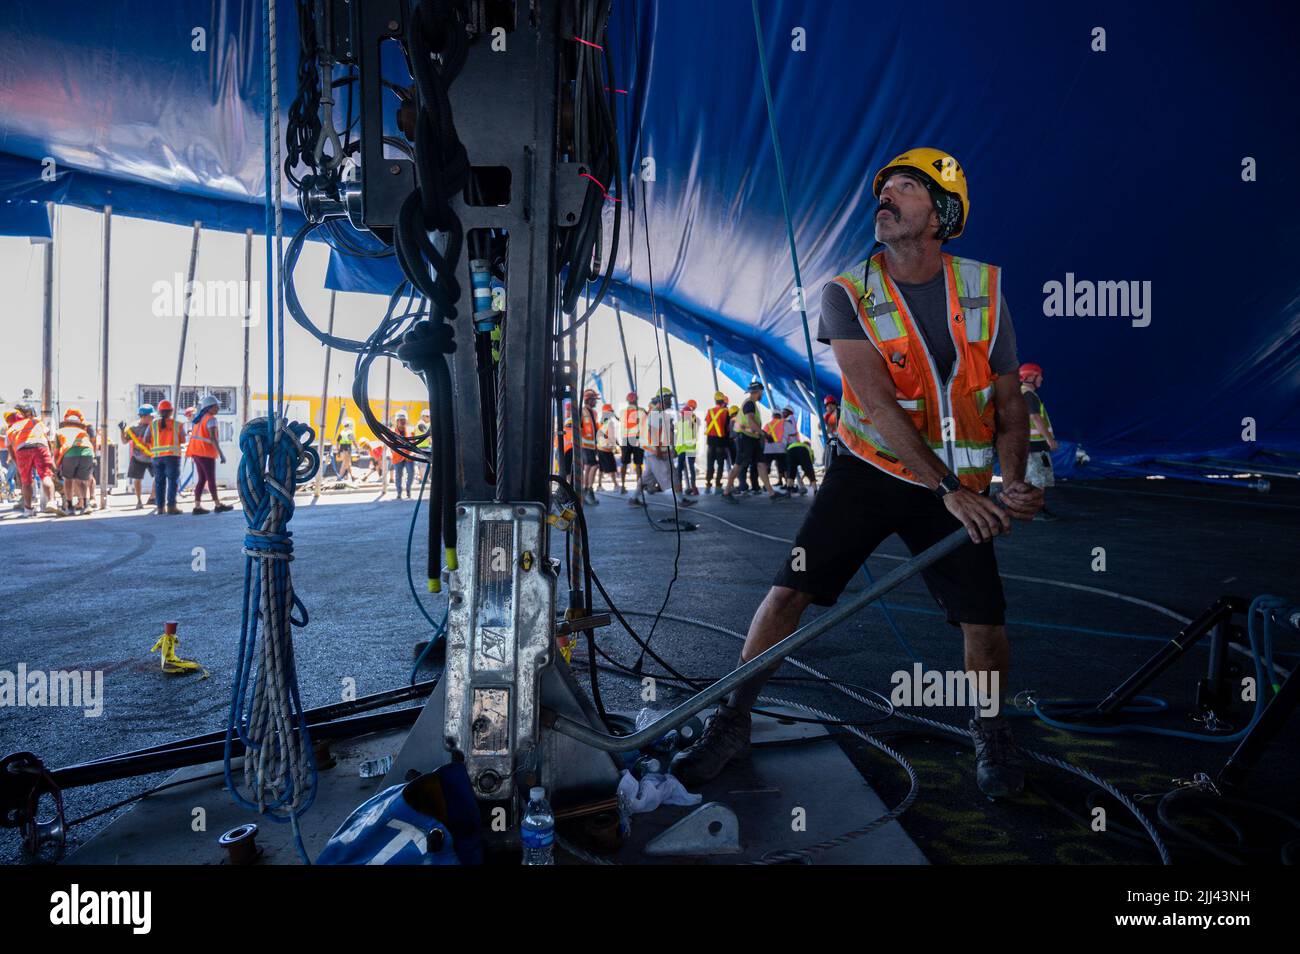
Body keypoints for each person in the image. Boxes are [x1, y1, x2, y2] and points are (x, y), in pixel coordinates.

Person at [672, 148, 1043, 800]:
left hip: (956, 485)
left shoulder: (984, 290)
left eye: (905, 188)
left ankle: (990, 730)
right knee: (789, 593)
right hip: (873, 470)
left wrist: (1015, 479)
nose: (887, 196)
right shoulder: (848, 294)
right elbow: (874, 400)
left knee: (985, 622)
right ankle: (731, 720)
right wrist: (949, 490)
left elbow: (1010, 408)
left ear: (942, 214)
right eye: (886, 187)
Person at [721, 381, 784, 502]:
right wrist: (763, 433)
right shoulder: (749, 404)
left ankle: (771, 493)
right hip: (745, 439)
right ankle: (726, 492)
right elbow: (750, 422)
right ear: (757, 392)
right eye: (761, 392)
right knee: (738, 465)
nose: (762, 394)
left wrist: (760, 434)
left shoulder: (752, 404)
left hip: (752, 439)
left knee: (761, 464)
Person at [631, 393, 696, 509]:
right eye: (669, 399)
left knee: (646, 477)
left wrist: (671, 449)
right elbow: (653, 432)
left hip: (655, 453)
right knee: (671, 475)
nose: (670, 402)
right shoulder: (656, 413)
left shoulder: (660, 413)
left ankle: (634, 498)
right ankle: (680, 500)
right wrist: (658, 450)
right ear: (663, 400)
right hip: (657, 453)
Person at [1018, 363, 1059, 521]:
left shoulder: (1024, 394)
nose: (1042, 378)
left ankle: (1026, 509)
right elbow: (1035, 417)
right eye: (1039, 375)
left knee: (1029, 478)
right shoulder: (1028, 395)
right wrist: (1050, 439)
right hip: (1036, 446)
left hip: (1030, 445)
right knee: (1039, 480)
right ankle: (1036, 511)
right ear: (1029, 377)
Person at [7, 404, 60, 516]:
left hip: (22, 449)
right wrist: (50, 455)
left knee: (26, 481)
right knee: (45, 475)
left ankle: (28, 509)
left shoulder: (13, 428)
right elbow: (47, 439)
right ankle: (51, 501)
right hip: (40, 446)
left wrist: (17, 462)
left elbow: (11, 449)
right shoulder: (37, 422)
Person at [186, 394, 233, 514]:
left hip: (196, 452)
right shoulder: (211, 419)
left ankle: (197, 506)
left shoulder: (199, 419)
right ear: (209, 407)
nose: (218, 408)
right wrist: (221, 454)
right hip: (205, 453)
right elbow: (213, 438)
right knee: (210, 479)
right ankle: (217, 505)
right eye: (216, 406)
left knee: (202, 479)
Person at [147, 399, 186, 515]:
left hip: (157, 457)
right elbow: (183, 439)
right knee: (172, 481)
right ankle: (171, 507)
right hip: (172, 457)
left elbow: (146, 439)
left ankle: (160, 508)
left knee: (159, 482)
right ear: (171, 411)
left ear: (159, 412)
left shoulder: (153, 424)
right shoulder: (177, 424)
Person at [54, 408, 95, 514]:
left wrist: (56, 465)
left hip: (70, 453)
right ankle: (86, 505)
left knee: (68, 479)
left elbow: (56, 451)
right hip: (87, 452)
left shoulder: (59, 432)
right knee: (82, 480)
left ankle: (70, 506)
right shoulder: (82, 431)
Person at [119, 405, 155, 509]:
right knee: (137, 479)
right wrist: (122, 431)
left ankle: (153, 497)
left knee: (159, 477)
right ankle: (139, 501)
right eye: (151, 416)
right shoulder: (133, 427)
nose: (153, 418)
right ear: (143, 416)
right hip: (137, 458)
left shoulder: (154, 426)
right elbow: (124, 441)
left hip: (153, 457)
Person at [784, 410, 818, 495]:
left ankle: (789, 489)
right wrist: (809, 475)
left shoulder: (797, 444)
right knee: (810, 471)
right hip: (802, 452)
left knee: (791, 471)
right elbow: (809, 464)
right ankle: (815, 490)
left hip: (791, 451)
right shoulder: (807, 448)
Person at [702, 392, 730, 494]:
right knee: (720, 464)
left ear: (715, 401)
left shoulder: (709, 411)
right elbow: (727, 428)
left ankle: (708, 485)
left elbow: (707, 423)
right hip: (721, 442)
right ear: (723, 401)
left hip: (710, 442)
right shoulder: (725, 412)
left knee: (710, 464)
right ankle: (718, 485)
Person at [761, 407, 792, 498]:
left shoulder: (767, 425)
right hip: (780, 449)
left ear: (773, 416)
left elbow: (763, 436)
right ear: (780, 415)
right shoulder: (784, 423)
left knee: (766, 467)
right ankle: (787, 485)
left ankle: (766, 485)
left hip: (768, 449)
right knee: (784, 467)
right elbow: (791, 434)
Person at [618, 392, 645, 494]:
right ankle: (638, 487)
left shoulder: (622, 412)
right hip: (637, 439)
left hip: (625, 439)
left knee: (624, 463)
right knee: (638, 464)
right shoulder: (641, 411)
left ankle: (623, 486)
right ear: (636, 400)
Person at [675, 399, 700, 495]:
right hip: (690, 447)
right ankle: (693, 488)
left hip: (682, 448)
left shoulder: (681, 420)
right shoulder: (693, 420)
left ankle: (680, 488)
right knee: (691, 467)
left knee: (680, 468)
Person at [595, 403, 620, 492]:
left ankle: (599, 485)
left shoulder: (601, 421)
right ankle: (616, 485)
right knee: (612, 467)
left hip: (601, 448)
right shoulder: (609, 422)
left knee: (601, 468)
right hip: (606, 449)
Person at [391, 410, 416, 499]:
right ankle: (399, 493)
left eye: (404, 420)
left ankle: (408, 490)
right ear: (397, 421)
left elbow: (414, 443)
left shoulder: (410, 431)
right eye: (400, 420)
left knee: (411, 474)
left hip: (409, 457)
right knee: (398, 476)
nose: (402, 422)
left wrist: (412, 453)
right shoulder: (392, 433)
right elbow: (390, 445)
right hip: (397, 458)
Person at [335, 416, 358, 482]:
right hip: (347, 449)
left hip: (342, 449)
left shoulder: (341, 432)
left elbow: (337, 442)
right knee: (345, 463)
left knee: (348, 463)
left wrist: (338, 451)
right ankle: (339, 477)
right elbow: (354, 442)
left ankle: (352, 476)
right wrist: (357, 449)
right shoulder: (350, 432)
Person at [822, 394, 841, 464]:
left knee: (832, 457)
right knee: (829, 446)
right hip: (835, 441)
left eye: (831, 404)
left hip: (840, 442)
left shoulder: (838, 411)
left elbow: (831, 426)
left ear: (835, 405)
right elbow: (820, 427)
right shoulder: (828, 415)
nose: (829, 407)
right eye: (827, 405)